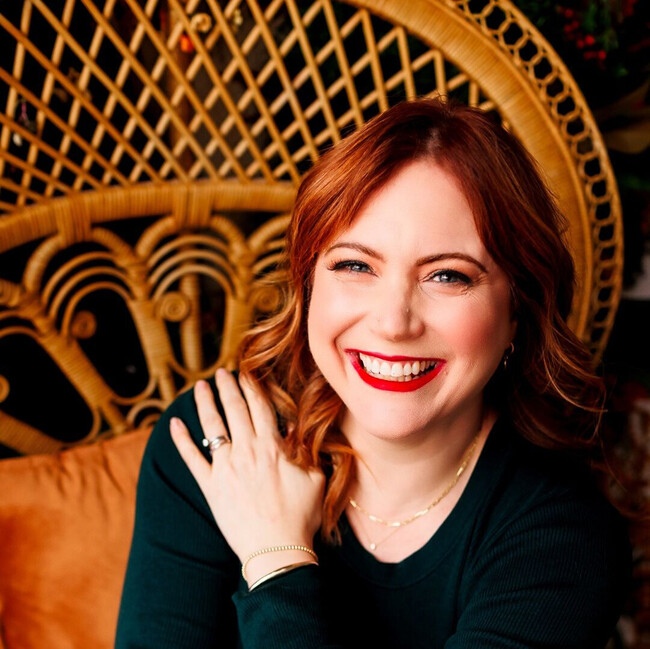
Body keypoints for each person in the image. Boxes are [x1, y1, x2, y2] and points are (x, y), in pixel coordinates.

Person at [115, 98, 630, 648]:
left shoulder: (563, 539)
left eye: (448, 276)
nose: (392, 323)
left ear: (518, 311)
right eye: (355, 265)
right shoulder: (220, 443)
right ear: (309, 285)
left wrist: (277, 558)